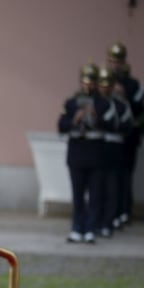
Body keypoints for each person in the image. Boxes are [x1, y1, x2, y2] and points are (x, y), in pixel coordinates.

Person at [58, 63, 108, 243]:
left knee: (95, 196)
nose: (88, 86)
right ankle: (77, 228)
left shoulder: (103, 103)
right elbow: (61, 126)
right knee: (78, 195)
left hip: (96, 156)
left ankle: (90, 228)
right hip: (77, 155)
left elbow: (113, 125)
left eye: (92, 82)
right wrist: (74, 120)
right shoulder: (71, 103)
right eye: (85, 82)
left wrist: (96, 116)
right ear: (80, 82)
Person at [95, 66, 133, 238]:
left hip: (115, 151)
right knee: (97, 189)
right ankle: (95, 221)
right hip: (97, 151)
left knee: (112, 189)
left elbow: (125, 126)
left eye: (108, 84)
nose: (105, 88)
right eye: (102, 84)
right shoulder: (94, 102)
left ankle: (108, 222)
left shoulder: (120, 105)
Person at [107, 42, 142, 227]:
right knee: (108, 176)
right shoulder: (103, 80)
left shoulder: (133, 84)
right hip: (108, 139)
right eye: (112, 61)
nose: (115, 65)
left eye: (118, 61)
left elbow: (139, 109)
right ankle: (109, 213)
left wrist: (124, 94)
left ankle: (123, 211)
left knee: (124, 176)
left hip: (128, 138)